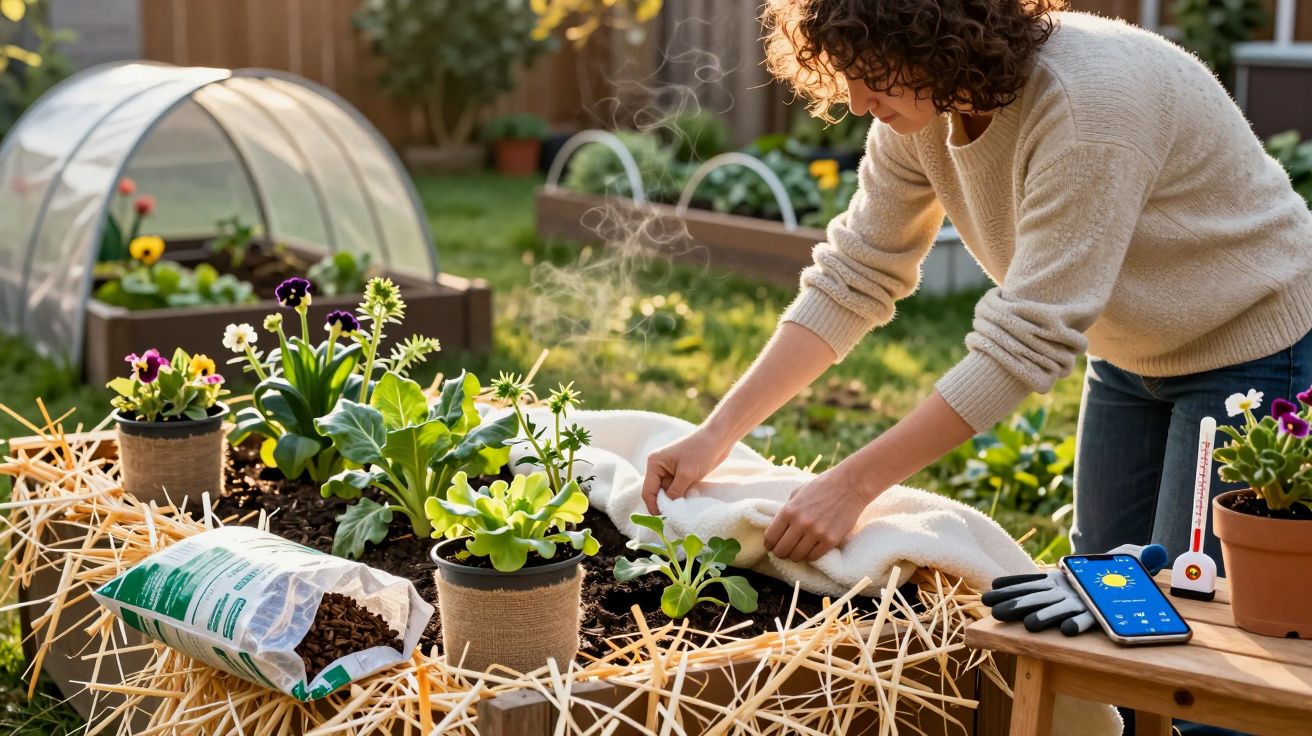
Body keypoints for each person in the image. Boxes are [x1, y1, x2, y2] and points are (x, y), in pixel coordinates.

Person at [642, 1, 1312, 592]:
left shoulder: (1087, 105)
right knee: (1102, 591)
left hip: (1247, 346)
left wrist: (850, 486)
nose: (856, 101)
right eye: (846, 74)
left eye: (870, 72)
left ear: (930, 36)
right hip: (1127, 353)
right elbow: (855, 274)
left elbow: (1024, 338)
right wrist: (714, 436)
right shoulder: (921, 111)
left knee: (1193, 605)